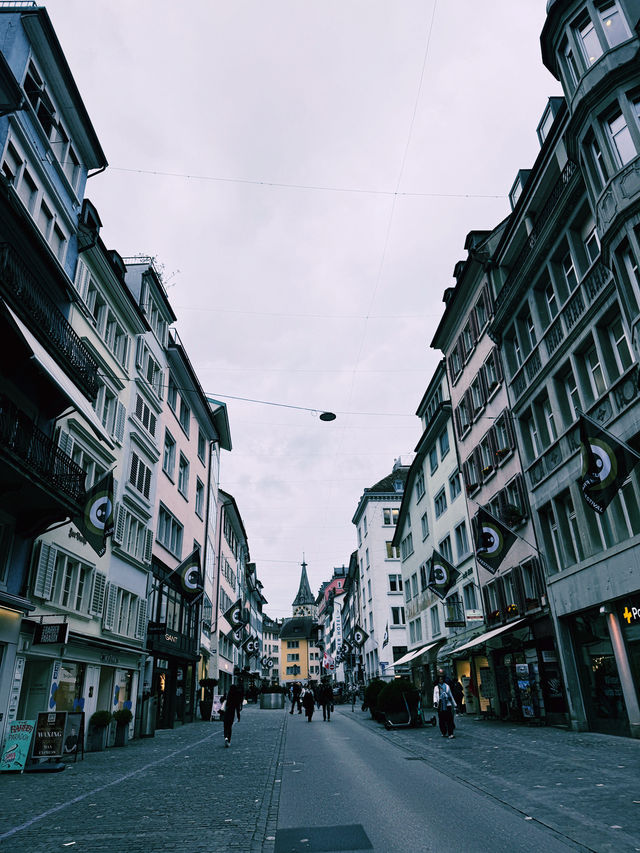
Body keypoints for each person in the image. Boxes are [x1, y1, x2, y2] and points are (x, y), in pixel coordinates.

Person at [433, 673, 457, 738]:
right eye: (440, 679)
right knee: (441, 720)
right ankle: (443, 731)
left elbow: (450, 695)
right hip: (440, 705)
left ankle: (450, 733)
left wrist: (454, 704)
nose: (441, 680)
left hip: (447, 704)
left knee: (450, 719)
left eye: (442, 679)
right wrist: (435, 702)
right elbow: (435, 696)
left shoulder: (447, 686)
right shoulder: (436, 687)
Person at [223, 681, 244, 747]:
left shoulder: (228, 695)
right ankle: (228, 740)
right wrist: (238, 716)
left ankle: (226, 737)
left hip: (226, 712)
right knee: (229, 726)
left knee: (225, 726)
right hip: (232, 713)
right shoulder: (236, 697)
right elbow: (237, 708)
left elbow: (223, 701)